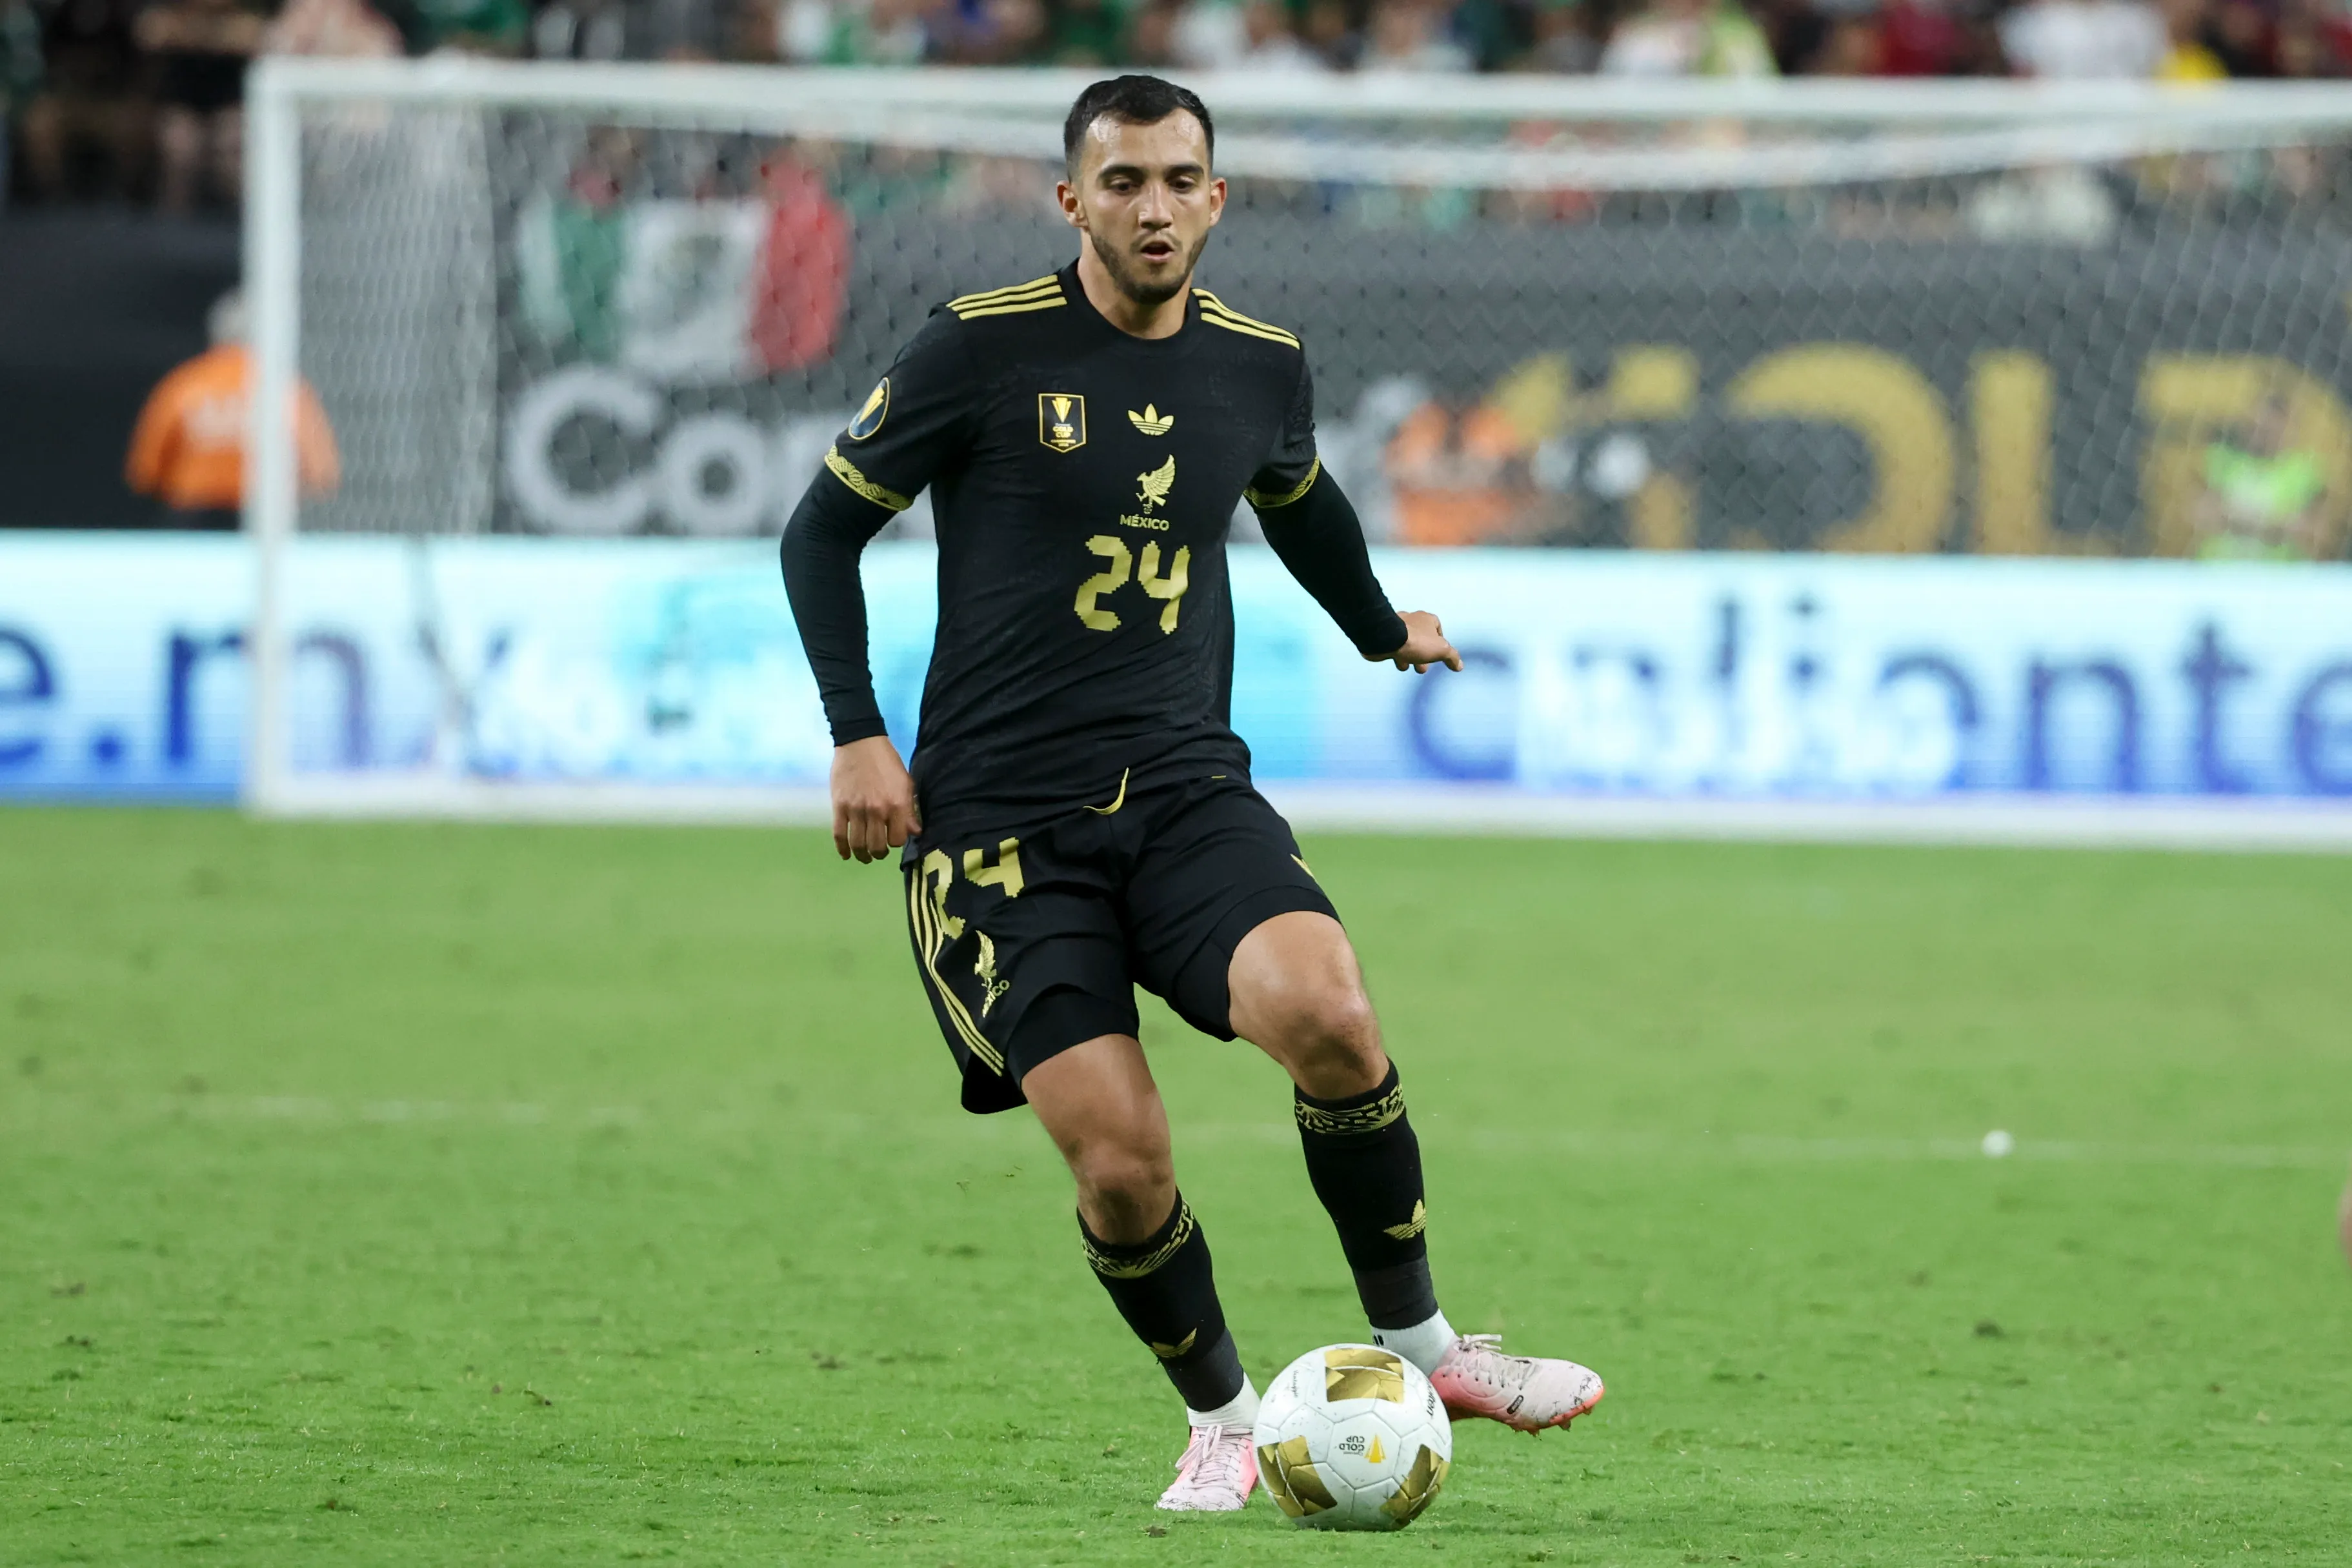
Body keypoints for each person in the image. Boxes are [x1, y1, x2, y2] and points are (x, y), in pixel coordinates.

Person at [779, 75, 1605, 1515]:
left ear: (1216, 198)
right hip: (997, 834)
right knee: (1120, 1158)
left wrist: (1377, 623)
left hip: (1179, 789)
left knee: (1329, 1015)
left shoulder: (1255, 363)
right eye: (1121, 184)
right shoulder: (975, 352)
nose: (1151, 207)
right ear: (1071, 201)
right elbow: (820, 530)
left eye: (1177, 181)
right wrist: (858, 738)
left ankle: (1423, 1347)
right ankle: (1225, 1420)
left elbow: (1298, 498)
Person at [126, 290, 341, 527]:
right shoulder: (287, 390)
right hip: (264, 517)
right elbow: (322, 473)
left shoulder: (185, 385)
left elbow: (145, 472)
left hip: (195, 520)